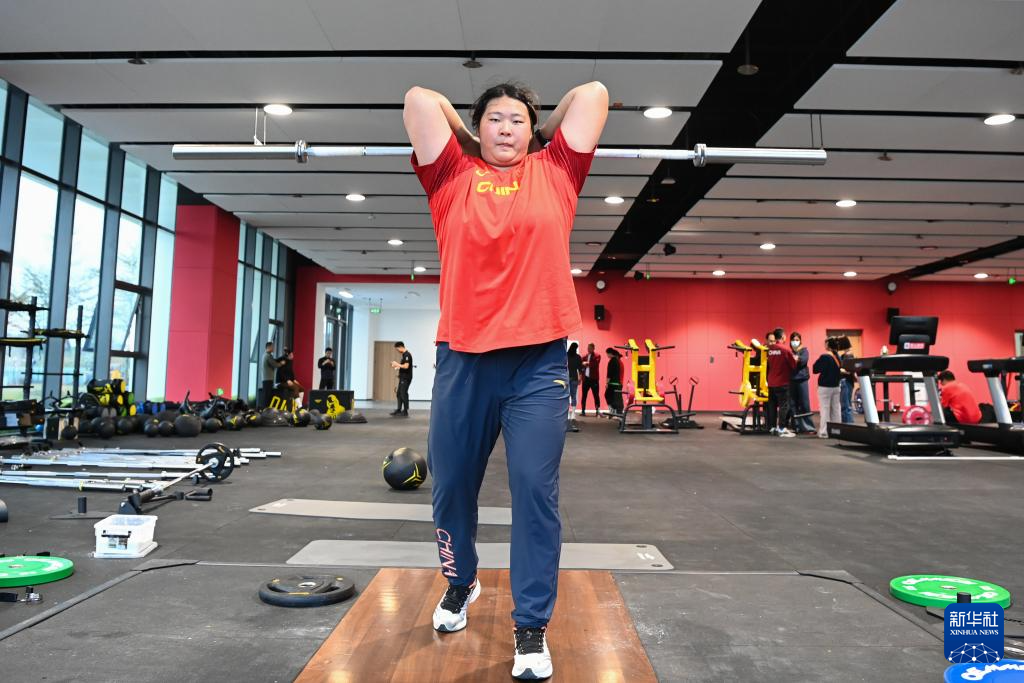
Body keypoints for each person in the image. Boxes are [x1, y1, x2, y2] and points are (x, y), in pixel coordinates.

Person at [405, 77, 607, 679]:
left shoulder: (558, 171)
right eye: (494, 119)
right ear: (477, 127)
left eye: (518, 120)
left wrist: (543, 134)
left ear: (533, 130)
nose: (506, 129)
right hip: (463, 360)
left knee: (535, 493)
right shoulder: (450, 177)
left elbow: (594, 93)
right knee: (451, 489)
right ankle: (460, 582)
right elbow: (418, 100)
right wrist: (465, 139)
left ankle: (531, 626)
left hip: (536, 365)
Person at [766, 327, 797, 437]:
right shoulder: (785, 349)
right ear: (783, 336)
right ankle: (782, 428)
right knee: (784, 406)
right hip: (782, 382)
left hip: (771, 382)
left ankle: (772, 427)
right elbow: (793, 365)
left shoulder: (769, 349)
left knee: (772, 406)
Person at [813, 337, 844, 438]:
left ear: (828, 345)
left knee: (825, 410)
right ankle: (836, 431)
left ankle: (824, 432)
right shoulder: (838, 357)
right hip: (836, 386)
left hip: (825, 387)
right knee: (836, 409)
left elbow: (815, 369)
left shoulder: (825, 357)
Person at [788, 332, 815, 434]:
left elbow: (802, 361)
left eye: (797, 340)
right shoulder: (789, 352)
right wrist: (794, 359)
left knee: (804, 403)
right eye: (793, 340)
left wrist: (795, 359)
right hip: (791, 380)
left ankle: (809, 427)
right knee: (792, 404)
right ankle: (796, 426)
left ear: (800, 341)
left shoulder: (804, 351)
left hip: (802, 379)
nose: (795, 342)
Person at [390, 342, 413, 417]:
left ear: (400, 347)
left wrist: (397, 364)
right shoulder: (404, 355)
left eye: (397, 349)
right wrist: (397, 367)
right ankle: (399, 409)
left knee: (403, 393)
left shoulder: (407, 355)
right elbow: (403, 366)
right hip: (403, 377)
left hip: (406, 378)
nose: (397, 351)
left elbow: (406, 366)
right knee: (399, 394)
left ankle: (405, 411)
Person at [580, 343, 602, 416]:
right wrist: (583, 363)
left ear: (593, 348)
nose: (588, 349)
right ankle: (583, 411)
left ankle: (597, 411)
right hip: (586, 379)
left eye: (590, 348)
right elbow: (580, 363)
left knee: (596, 395)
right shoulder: (585, 356)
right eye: (588, 348)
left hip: (594, 379)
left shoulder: (597, 356)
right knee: (584, 395)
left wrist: (585, 363)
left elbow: (594, 364)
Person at [261, 342, 283, 408]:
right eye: (272, 347)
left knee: (267, 396)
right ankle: (265, 410)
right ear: (269, 347)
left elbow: (273, 361)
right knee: (267, 397)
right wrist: (281, 363)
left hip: (266, 379)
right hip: (268, 379)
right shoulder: (268, 356)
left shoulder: (266, 355)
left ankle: (265, 409)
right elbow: (275, 364)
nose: (273, 348)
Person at [604, 347, 625, 416]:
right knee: (617, 398)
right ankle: (617, 411)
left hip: (614, 383)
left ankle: (614, 411)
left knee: (608, 396)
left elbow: (609, 373)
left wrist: (607, 383)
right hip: (618, 383)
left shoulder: (613, 361)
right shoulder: (619, 362)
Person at [566, 342, 582, 413]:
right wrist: (580, 378)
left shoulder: (566, 355)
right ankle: (573, 413)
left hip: (566, 377)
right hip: (574, 377)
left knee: (566, 395)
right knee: (573, 395)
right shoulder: (578, 357)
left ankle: (566, 412)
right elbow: (580, 369)